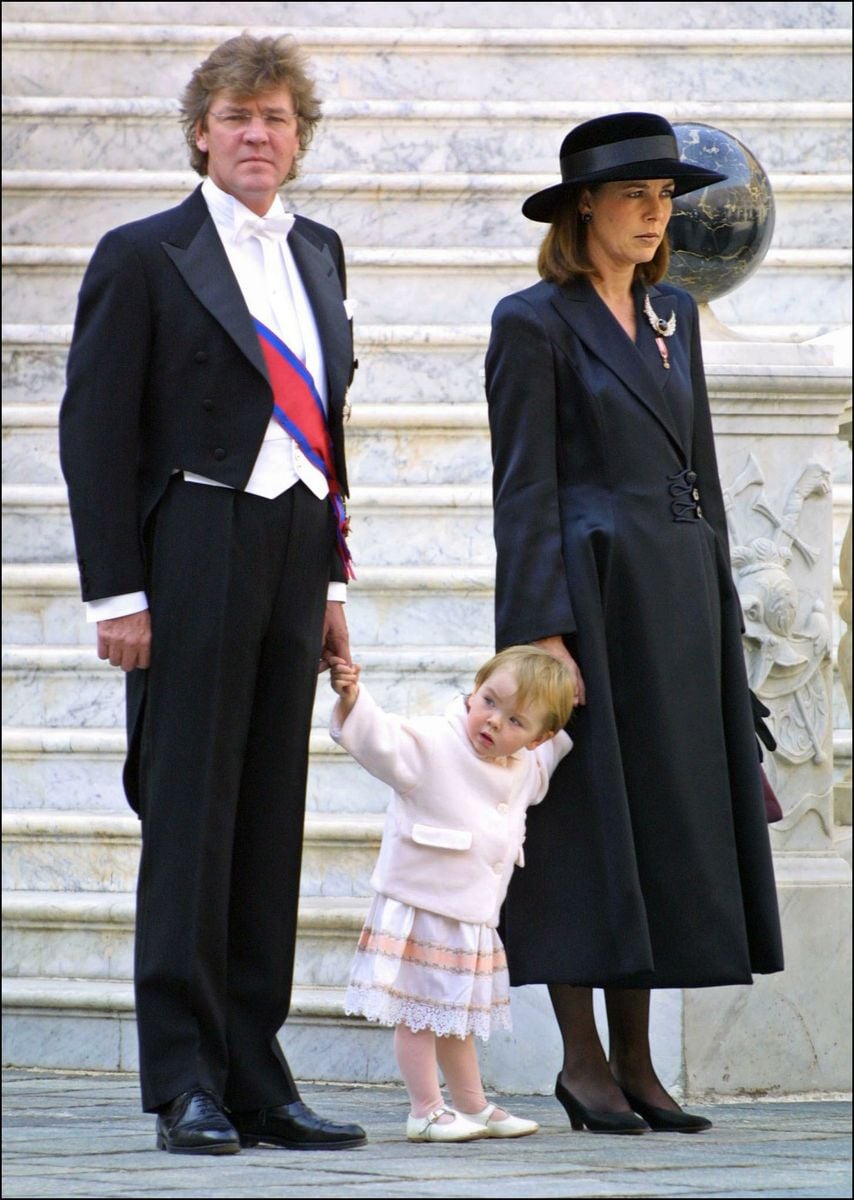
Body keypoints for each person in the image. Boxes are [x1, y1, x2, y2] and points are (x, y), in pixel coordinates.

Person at [58, 34, 366, 1155]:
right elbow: (92, 433)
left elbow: (328, 430)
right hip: (188, 539)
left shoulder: (320, 251)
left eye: (276, 118)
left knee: (269, 814)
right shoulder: (143, 253)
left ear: (297, 136)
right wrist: (115, 596)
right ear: (202, 129)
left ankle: (256, 1075)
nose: (256, 135)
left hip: (292, 543)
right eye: (237, 116)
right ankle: (184, 1079)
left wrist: (333, 577)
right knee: (188, 813)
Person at [485, 112, 784, 1135]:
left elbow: (696, 472)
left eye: (664, 198)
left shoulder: (675, 318)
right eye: (634, 197)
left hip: (675, 605)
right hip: (586, 602)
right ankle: (580, 1066)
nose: (656, 215)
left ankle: (639, 1067)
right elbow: (522, 487)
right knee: (584, 830)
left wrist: (720, 616)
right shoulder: (529, 322)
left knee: (654, 823)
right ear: (583, 208)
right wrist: (539, 633)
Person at [328, 646, 576, 1141]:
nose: (492, 722)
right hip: (422, 905)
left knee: (455, 1016)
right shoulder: (432, 744)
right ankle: (424, 1109)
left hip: (472, 912)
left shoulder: (525, 766)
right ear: (473, 690)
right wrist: (355, 698)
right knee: (417, 1013)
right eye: (487, 701)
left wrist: (564, 726)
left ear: (536, 736)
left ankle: (472, 1104)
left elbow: (549, 756)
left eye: (514, 721)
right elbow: (381, 741)